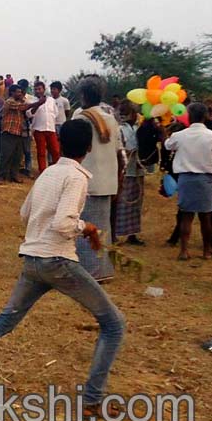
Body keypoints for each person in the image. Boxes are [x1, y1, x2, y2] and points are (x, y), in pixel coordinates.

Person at [0, 119, 125, 415]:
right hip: (57, 260)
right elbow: (63, 223)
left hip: (33, 260)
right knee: (114, 324)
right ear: (88, 147)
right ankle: (92, 400)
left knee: (4, 320)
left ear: (59, 140)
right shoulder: (77, 177)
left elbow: (25, 214)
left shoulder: (48, 173)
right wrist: (88, 228)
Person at [72, 76, 124, 281]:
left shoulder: (81, 119)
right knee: (104, 227)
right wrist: (119, 180)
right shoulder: (111, 118)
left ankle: (89, 272)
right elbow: (120, 153)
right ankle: (104, 269)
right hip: (108, 181)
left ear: (83, 95)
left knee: (86, 228)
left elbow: (72, 148)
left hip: (87, 180)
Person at [165, 102, 212, 261]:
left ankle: (184, 251)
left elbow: (167, 146)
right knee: (206, 217)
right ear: (205, 116)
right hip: (206, 179)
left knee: (186, 216)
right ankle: (207, 251)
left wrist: (163, 130)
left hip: (185, 179)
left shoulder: (180, 135)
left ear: (188, 116)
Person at [0, 85, 43, 184]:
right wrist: (38, 103)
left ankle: (13, 175)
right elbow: (24, 107)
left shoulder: (21, 102)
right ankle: (1, 176)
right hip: (9, 132)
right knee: (6, 155)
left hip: (18, 132)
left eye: (20, 92)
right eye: (17, 92)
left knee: (17, 156)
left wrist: (37, 104)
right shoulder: (9, 101)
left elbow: (29, 110)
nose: (20, 93)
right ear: (12, 93)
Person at [114, 102, 145, 245]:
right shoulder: (120, 129)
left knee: (136, 203)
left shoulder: (140, 127)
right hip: (125, 171)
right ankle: (115, 233)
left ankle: (132, 234)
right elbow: (119, 150)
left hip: (137, 171)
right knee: (121, 203)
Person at [30, 81, 60, 175]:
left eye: (39, 89)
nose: (38, 91)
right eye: (36, 89)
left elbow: (55, 113)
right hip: (39, 129)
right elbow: (29, 114)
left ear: (44, 89)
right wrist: (38, 104)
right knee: (41, 152)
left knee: (55, 151)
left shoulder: (51, 100)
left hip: (51, 129)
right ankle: (42, 171)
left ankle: (57, 171)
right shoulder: (32, 100)